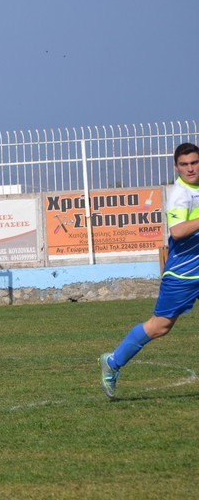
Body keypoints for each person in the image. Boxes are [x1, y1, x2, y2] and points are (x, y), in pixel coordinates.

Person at [100, 142, 199, 399]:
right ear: (176, 167)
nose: (190, 168)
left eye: (194, 163)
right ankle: (113, 362)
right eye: (184, 164)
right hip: (183, 274)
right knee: (159, 327)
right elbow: (177, 231)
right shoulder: (180, 194)